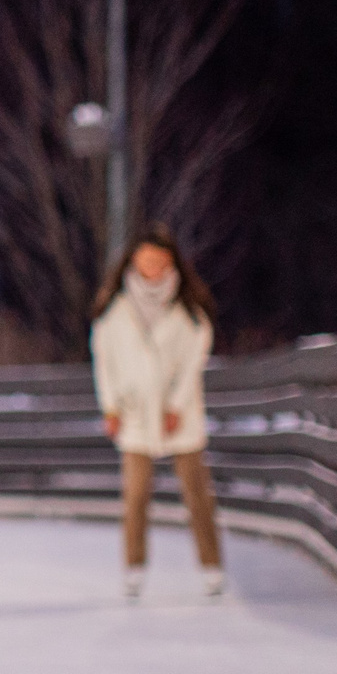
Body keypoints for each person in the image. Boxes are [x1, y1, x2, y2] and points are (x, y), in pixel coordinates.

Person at [91, 224, 223, 600]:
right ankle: (133, 568)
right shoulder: (113, 310)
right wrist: (111, 407)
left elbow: (194, 360)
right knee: (135, 496)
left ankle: (211, 567)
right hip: (134, 415)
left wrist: (176, 405)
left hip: (180, 416)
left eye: (160, 260)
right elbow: (105, 361)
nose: (153, 267)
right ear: (134, 260)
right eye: (147, 259)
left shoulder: (189, 311)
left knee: (197, 494)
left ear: (171, 263)